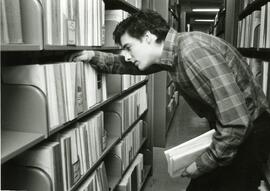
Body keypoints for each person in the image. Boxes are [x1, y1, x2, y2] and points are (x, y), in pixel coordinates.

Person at [72, 9, 270, 191]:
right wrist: (93, 56)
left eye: (128, 47)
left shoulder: (192, 51)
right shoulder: (174, 52)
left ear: (148, 37)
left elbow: (236, 122)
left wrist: (201, 165)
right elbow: (129, 65)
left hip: (249, 132)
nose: (126, 55)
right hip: (234, 129)